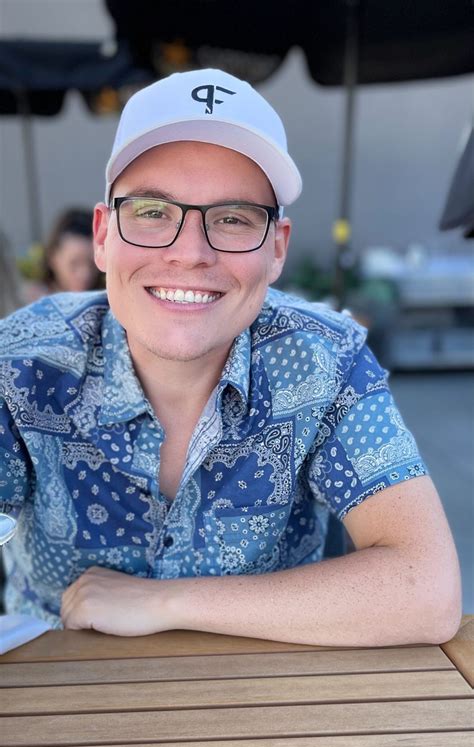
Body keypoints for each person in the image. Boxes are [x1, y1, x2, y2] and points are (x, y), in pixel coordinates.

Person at [0, 68, 461, 645]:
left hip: (270, 689)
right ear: (102, 236)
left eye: (233, 219)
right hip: (53, 687)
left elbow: (427, 589)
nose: (190, 253)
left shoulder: (325, 358)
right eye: (152, 212)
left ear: (277, 249)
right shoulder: (22, 360)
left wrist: (165, 602)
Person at [24, 208, 102, 301]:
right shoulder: (31, 301)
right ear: (52, 257)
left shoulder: (107, 300)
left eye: (92, 264)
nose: (85, 274)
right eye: (74, 263)